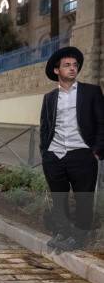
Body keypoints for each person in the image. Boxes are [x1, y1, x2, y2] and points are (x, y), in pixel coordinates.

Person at [40, 47, 104, 251]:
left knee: (83, 197)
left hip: (82, 154)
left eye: (75, 65)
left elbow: (102, 122)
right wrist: (45, 151)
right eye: (67, 65)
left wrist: (96, 151)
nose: (72, 68)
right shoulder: (49, 98)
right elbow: (45, 126)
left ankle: (79, 236)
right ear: (57, 70)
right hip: (54, 155)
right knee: (58, 198)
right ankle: (63, 231)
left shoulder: (91, 92)